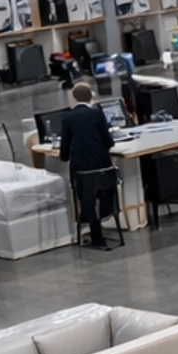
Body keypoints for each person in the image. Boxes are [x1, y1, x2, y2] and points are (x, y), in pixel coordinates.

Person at [59, 80, 115, 250]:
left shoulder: (68, 118)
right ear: (91, 96)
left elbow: (65, 147)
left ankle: (93, 232)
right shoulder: (97, 114)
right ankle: (106, 218)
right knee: (101, 190)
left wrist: (65, 157)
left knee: (86, 196)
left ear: (74, 98)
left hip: (82, 170)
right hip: (103, 168)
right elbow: (107, 141)